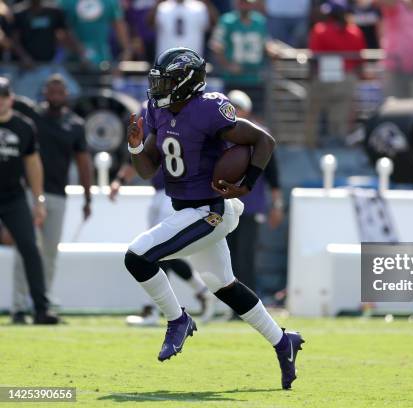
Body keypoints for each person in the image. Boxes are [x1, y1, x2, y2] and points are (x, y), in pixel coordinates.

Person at [123, 47, 304, 389]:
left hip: (211, 210)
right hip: (187, 209)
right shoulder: (158, 111)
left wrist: (247, 184)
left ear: (186, 82)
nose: (159, 88)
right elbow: (147, 169)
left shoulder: (208, 108)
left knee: (137, 256)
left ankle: (178, 320)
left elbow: (263, 141)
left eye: (167, 81)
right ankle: (284, 342)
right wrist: (134, 148)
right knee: (222, 284)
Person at [110, 102, 215, 326]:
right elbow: (142, 154)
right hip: (159, 192)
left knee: (154, 252)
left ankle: (153, 311)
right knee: (160, 253)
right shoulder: (152, 110)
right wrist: (119, 180)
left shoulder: (189, 111)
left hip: (176, 192)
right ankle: (201, 291)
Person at [11, 74, 93, 322]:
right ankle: (18, 307)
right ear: (44, 93)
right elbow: (9, 97)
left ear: (66, 94)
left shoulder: (75, 125)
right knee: (25, 249)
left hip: (58, 194)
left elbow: (83, 163)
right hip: (29, 192)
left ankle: (41, 305)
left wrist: (88, 197)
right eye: (52, 91)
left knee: (49, 253)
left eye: (60, 91)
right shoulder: (32, 115)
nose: (56, 95)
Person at [0, 76, 59, 325]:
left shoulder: (23, 126)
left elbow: (33, 164)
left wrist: (39, 200)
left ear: (10, 99)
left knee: (30, 249)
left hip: (13, 195)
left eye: (2, 97)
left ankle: (41, 309)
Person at [225, 89, 283, 295]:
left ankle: (247, 304)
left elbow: (273, 175)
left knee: (246, 257)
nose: (234, 111)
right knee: (227, 257)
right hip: (225, 207)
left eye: (238, 107)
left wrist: (276, 205)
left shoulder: (260, 136)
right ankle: (231, 305)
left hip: (251, 206)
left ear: (247, 111)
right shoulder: (219, 133)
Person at [305, 0, 366, 146]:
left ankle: (310, 145)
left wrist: (310, 77)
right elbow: (360, 62)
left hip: (323, 79)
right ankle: (337, 148)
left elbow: (313, 58)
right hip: (346, 79)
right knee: (339, 120)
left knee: (312, 114)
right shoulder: (355, 32)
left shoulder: (320, 30)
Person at [11, 0, 84, 100]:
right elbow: (14, 40)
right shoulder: (19, 13)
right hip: (28, 69)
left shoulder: (54, 11)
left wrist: (82, 54)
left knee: (74, 92)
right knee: (22, 100)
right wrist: (24, 58)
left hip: (51, 65)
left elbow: (66, 34)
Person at [210, 0, 271, 116]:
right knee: (230, 117)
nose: (244, 5)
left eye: (247, 2)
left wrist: (272, 50)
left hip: (255, 78)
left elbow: (266, 44)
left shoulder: (260, 21)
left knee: (257, 118)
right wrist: (227, 65)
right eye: (242, 2)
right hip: (234, 79)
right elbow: (216, 46)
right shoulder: (227, 21)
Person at [59, 0, 132, 65]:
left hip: (102, 58)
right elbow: (61, 32)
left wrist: (127, 51)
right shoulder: (65, 2)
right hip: (72, 61)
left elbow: (119, 26)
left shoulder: (111, 2)